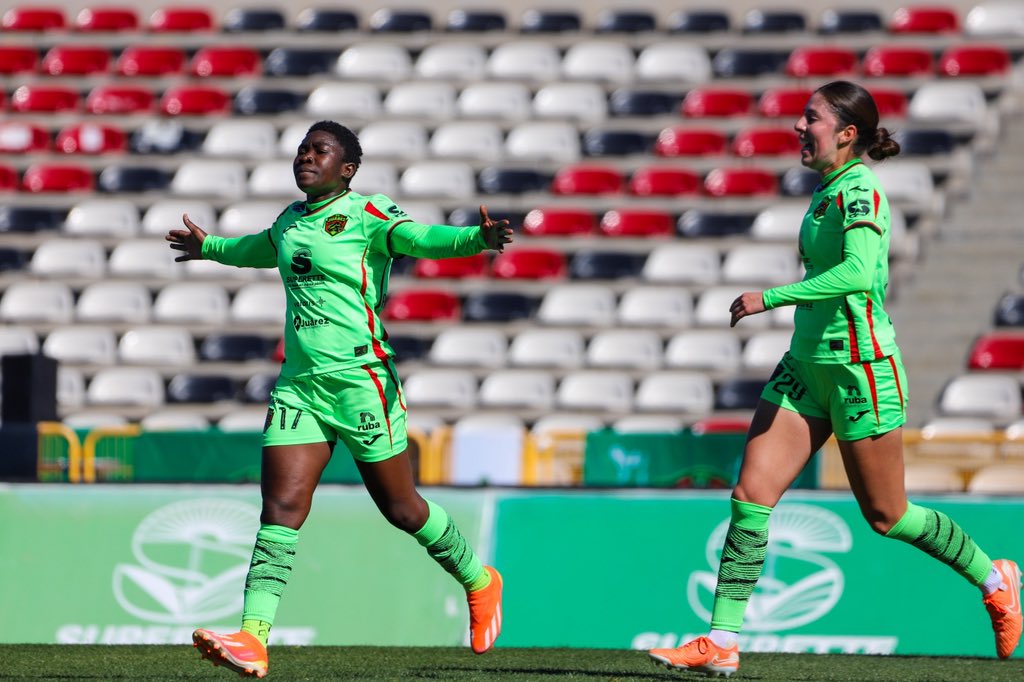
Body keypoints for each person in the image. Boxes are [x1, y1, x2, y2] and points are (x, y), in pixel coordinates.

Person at [648, 81, 1022, 677]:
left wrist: (769, 296)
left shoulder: (862, 191)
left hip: (859, 370)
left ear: (847, 134)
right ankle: (721, 639)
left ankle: (994, 575)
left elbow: (857, 272)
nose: (799, 127)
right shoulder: (827, 190)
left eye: (811, 118)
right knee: (750, 498)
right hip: (805, 367)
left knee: (888, 517)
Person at [166, 120, 512, 679]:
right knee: (280, 509)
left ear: (346, 168)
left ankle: (478, 577)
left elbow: (423, 238)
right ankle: (253, 638)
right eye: (303, 148)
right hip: (301, 386)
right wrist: (210, 248)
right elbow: (257, 249)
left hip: (362, 381)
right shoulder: (289, 221)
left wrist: (477, 240)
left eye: (320, 151)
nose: (307, 156)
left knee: (402, 509)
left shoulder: (368, 213)